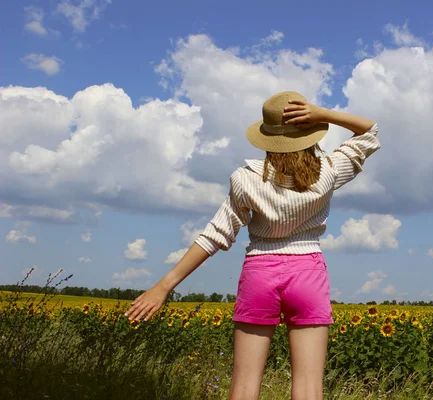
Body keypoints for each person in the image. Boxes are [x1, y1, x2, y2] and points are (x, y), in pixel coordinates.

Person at [124, 91, 379, 400]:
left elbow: (214, 235)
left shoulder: (245, 179)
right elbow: (368, 130)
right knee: (310, 389)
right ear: (310, 131)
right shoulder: (327, 172)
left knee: (243, 387)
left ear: (267, 138)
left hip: (260, 274)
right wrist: (321, 113)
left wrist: (163, 287)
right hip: (308, 274)